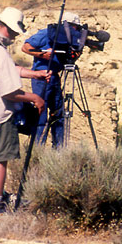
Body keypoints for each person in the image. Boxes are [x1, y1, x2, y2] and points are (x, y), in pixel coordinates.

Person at [0, 7, 48, 215]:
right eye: (14, 31)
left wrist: (34, 75)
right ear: (6, 28)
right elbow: (10, 92)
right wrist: (35, 98)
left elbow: (6, 70)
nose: (14, 36)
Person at [21, 11, 81, 147]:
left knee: (58, 115)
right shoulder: (46, 34)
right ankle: (37, 149)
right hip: (40, 77)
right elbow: (25, 47)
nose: (76, 31)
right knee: (41, 115)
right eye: (75, 27)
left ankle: (58, 149)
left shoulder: (68, 40)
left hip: (55, 77)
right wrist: (43, 55)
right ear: (68, 26)